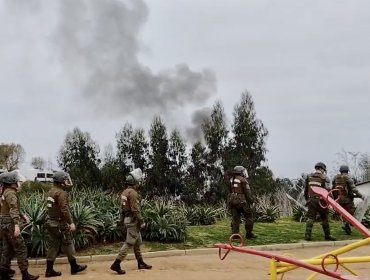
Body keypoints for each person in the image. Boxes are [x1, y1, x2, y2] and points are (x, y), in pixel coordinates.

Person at [44, 171, 87, 277]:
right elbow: (65, 209)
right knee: (68, 243)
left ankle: (49, 270)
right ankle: (74, 266)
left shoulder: (51, 191)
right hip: (60, 223)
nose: (66, 182)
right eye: (64, 180)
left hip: (51, 222)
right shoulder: (61, 193)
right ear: (61, 182)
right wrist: (71, 222)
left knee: (53, 246)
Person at [110, 168, 152, 275]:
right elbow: (135, 209)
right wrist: (141, 221)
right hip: (133, 220)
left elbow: (122, 209)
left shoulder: (125, 192)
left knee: (137, 242)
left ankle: (140, 262)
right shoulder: (133, 193)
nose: (138, 184)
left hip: (127, 219)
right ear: (134, 183)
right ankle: (116, 263)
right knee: (129, 243)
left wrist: (121, 220)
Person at [0, 171, 39, 280]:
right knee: (21, 248)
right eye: (16, 181)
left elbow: (10, 208)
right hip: (10, 224)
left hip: (4, 223)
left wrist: (22, 215)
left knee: (7, 250)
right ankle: (25, 275)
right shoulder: (11, 193)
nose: (18, 182)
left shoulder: (5, 192)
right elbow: (13, 209)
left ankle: (3, 274)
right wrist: (16, 225)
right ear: (11, 182)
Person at [304, 162, 336, 241]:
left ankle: (307, 236)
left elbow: (306, 190)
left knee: (310, 218)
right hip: (321, 201)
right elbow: (328, 191)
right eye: (323, 170)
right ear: (322, 169)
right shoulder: (324, 178)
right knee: (324, 218)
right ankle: (327, 235)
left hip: (311, 200)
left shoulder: (309, 177)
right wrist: (331, 202)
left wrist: (308, 199)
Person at [332, 165, 364, 235]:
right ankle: (347, 225)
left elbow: (333, 189)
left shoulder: (335, 178)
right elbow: (354, 189)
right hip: (348, 200)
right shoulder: (348, 178)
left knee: (344, 214)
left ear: (340, 171)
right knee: (351, 213)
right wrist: (362, 196)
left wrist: (335, 199)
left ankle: (347, 227)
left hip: (339, 200)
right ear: (347, 171)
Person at [227, 165, 257, 239]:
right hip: (241, 201)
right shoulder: (243, 180)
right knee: (249, 216)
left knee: (235, 218)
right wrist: (252, 201)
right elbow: (247, 192)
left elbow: (230, 191)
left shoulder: (231, 179)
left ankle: (235, 234)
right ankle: (249, 234)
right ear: (240, 171)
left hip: (232, 200)